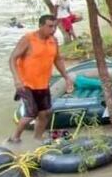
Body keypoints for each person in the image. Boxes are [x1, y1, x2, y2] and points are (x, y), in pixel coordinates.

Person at [7, 15, 74, 144]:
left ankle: (37, 138)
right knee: (30, 114)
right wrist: (16, 79)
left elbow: (57, 59)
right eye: (50, 26)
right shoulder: (28, 39)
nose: (53, 29)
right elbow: (12, 59)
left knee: (46, 112)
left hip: (43, 83)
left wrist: (66, 76)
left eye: (55, 26)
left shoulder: (53, 40)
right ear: (41, 25)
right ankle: (14, 138)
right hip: (26, 83)